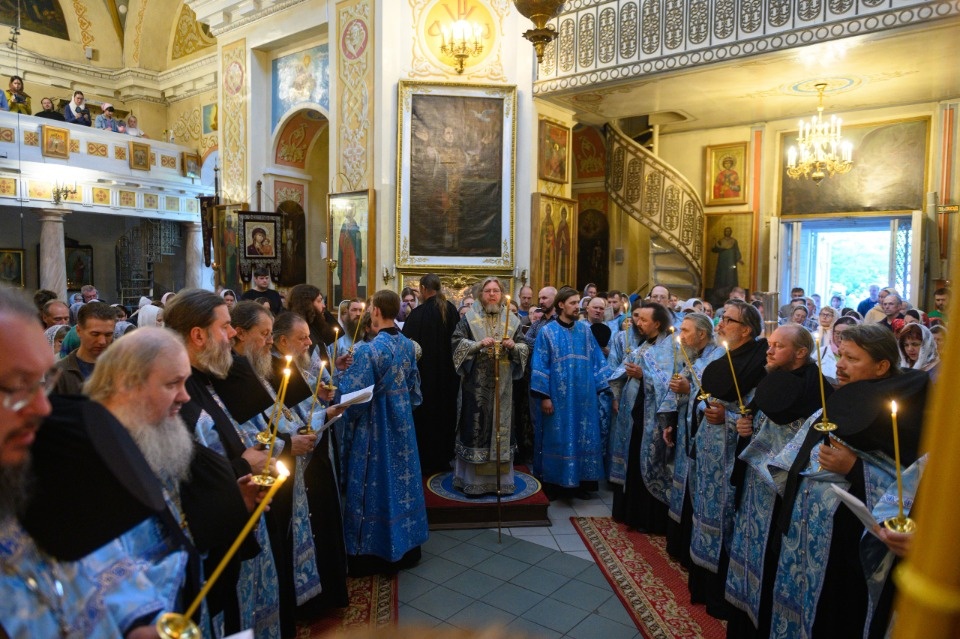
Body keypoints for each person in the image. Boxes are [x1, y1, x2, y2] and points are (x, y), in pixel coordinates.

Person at [0, 288, 173, 639]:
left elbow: (99, 584)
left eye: (41, 384)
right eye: (18, 387)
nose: (44, 410)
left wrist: (133, 627)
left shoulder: (33, 483)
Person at [768, 324, 929, 639]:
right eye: (840, 355)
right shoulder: (840, 401)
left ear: (882, 366)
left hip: (845, 546)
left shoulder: (903, 416)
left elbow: (909, 489)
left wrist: (855, 468)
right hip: (805, 530)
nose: (839, 365)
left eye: (852, 359)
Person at [164, 289, 282, 638]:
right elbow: (181, 484)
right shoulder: (177, 394)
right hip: (204, 552)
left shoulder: (211, 374)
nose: (233, 334)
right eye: (226, 326)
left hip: (233, 528)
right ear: (198, 335)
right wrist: (242, 467)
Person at [724, 324, 829, 638]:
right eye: (769, 345)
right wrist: (746, 425)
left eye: (777, 346)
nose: (768, 351)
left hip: (781, 491)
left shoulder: (816, 388)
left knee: (772, 561)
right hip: (756, 487)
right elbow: (758, 417)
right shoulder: (772, 378)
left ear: (799, 353)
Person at [336, 289, 428, 575]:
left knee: (375, 482)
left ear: (375, 311)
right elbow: (415, 390)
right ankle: (408, 547)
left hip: (374, 428)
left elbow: (353, 399)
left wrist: (338, 384)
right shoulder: (409, 346)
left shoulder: (368, 350)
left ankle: (371, 553)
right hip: (403, 425)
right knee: (402, 480)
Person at [690, 299, 767, 620]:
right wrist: (705, 410)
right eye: (720, 319)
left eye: (727, 321)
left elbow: (758, 415)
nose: (719, 325)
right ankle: (702, 585)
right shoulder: (722, 360)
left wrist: (730, 415)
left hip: (730, 460)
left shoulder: (759, 366)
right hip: (708, 453)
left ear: (747, 329)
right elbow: (702, 399)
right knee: (703, 509)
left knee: (725, 518)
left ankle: (721, 593)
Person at [270, 312, 349, 614]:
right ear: (282, 340)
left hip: (316, 455)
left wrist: (324, 396)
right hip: (299, 464)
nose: (309, 342)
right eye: (302, 338)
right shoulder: (277, 370)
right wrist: (324, 414)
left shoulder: (300, 362)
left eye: (308, 336)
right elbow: (289, 421)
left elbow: (312, 398)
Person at [450, 277, 529, 494]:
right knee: (476, 429)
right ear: (480, 295)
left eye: (496, 291)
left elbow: (524, 346)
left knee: (500, 431)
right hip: (475, 387)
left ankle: (500, 483)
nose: (492, 294)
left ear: (502, 294)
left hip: (503, 387)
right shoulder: (469, 319)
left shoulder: (512, 320)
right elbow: (456, 343)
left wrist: (514, 347)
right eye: (488, 291)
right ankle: (472, 482)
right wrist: (475, 345)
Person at [531, 286, 609, 497]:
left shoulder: (585, 331)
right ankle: (556, 484)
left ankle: (582, 483)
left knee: (583, 437)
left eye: (578, 303)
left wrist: (603, 387)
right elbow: (540, 365)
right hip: (558, 398)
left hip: (584, 399)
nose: (578, 307)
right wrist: (545, 396)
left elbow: (597, 361)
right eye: (573, 303)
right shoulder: (547, 332)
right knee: (557, 438)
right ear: (561, 305)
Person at [608, 301, 676, 532]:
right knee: (633, 461)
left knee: (647, 463)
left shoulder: (670, 348)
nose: (638, 323)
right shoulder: (643, 344)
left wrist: (643, 375)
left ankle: (647, 519)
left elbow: (669, 381)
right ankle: (630, 513)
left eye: (644, 320)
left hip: (653, 419)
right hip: (635, 413)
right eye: (638, 318)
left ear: (657, 323)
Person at [664, 312, 724, 565]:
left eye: (686, 330)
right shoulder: (694, 355)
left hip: (704, 435)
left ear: (702, 333)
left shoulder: (717, 356)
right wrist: (671, 423)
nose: (682, 335)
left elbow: (714, 393)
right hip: (686, 429)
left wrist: (689, 390)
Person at [402, 274, 462, 475]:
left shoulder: (417, 314)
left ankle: (426, 459)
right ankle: (444, 458)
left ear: (423, 289)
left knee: (426, 418)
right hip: (448, 379)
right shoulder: (452, 311)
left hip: (425, 380)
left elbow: (407, 348)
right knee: (446, 415)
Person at [53, 301, 116, 395]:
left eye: (108, 335)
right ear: (79, 331)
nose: (102, 341)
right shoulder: (60, 373)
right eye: (95, 334)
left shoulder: (124, 368)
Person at [338, 208, 363, 299]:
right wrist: (345, 236)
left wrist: (357, 255)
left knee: (352, 274)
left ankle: (353, 294)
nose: (350, 213)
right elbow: (341, 239)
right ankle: (345, 294)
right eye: (349, 211)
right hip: (345, 254)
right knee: (346, 274)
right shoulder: (344, 224)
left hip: (353, 253)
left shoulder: (355, 224)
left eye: (351, 211)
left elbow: (358, 238)